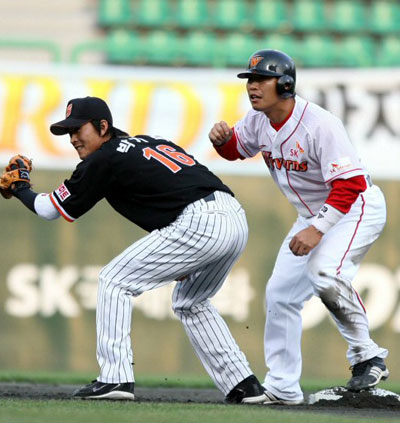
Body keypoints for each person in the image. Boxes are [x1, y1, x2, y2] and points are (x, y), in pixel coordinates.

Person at [0, 96, 268, 403]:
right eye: (67, 132)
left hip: (200, 222)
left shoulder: (105, 158)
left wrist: (21, 188)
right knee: (190, 302)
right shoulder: (147, 143)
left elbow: (49, 209)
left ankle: (115, 378)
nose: (73, 137)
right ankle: (244, 386)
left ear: (103, 127)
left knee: (114, 281)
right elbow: (172, 191)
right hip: (232, 215)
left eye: (78, 129)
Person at [208, 50, 389, 405]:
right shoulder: (259, 120)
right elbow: (237, 150)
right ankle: (283, 386)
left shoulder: (320, 124)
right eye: (250, 80)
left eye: (261, 80)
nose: (253, 87)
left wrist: (318, 229)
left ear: (286, 84)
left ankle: (367, 355)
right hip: (313, 216)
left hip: (356, 207)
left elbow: (350, 185)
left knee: (324, 271)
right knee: (280, 296)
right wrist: (222, 142)